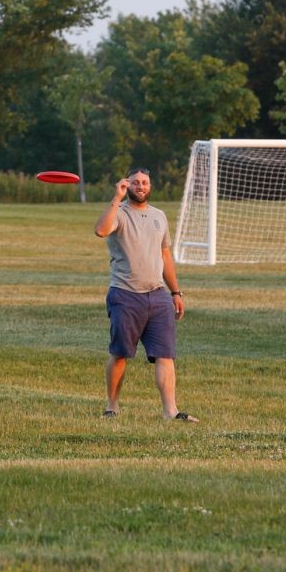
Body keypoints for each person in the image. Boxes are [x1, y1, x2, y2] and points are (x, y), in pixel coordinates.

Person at [93, 167, 197, 422]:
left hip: (158, 296)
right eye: (135, 182)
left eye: (145, 182)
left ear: (150, 186)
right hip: (125, 294)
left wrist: (175, 292)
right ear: (127, 185)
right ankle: (112, 407)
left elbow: (165, 256)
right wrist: (116, 198)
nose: (140, 186)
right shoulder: (119, 213)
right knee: (120, 353)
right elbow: (101, 230)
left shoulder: (159, 216)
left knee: (165, 354)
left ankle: (170, 411)